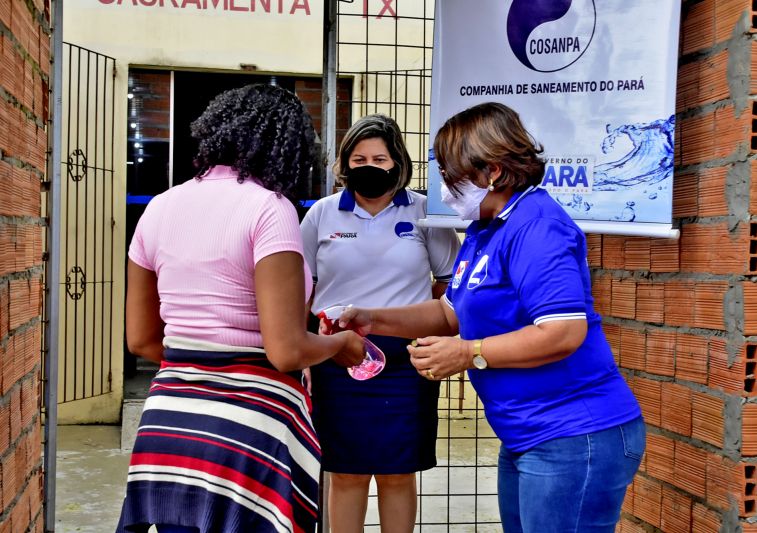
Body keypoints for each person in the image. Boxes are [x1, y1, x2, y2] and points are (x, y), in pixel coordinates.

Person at [327, 102, 645, 533]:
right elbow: (448, 312)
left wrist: (468, 353)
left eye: (451, 174)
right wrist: (371, 319)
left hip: (573, 433)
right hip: (525, 434)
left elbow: (563, 332)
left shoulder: (537, 227)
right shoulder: (485, 228)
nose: (443, 186)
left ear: (492, 171)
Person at [117, 84, 365, 533]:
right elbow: (286, 351)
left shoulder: (158, 207)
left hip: (167, 425)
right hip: (246, 431)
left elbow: (141, 339)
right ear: (288, 147)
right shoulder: (270, 209)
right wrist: (339, 344)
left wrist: (201, 366)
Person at [300, 114, 461, 532]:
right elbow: (298, 285)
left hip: (407, 360)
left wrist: (425, 329)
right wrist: (308, 346)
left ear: (398, 163)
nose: (369, 165)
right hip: (338, 358)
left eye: (380, 158)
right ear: (344, 164)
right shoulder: (322, 214)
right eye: (358, 158)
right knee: (346, 469)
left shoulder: (426, 212)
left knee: (397, 471)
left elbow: (449, 285)